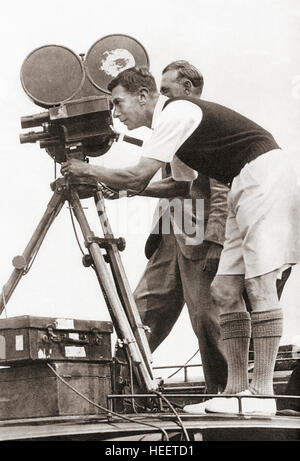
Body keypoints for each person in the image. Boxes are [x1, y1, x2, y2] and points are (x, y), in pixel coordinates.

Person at [61, 66, 300, 415]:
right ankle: (234, 392)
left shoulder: (176, 113)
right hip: (241, 183)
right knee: (223, 291)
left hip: (263, 177)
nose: (114, 112)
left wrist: (90, 170)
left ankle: (262, 395)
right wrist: (114, 186)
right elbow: (183, 186)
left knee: (260, 284)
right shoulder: (168, 126)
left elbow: (139, 174)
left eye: (118, 102)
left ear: (144, 96)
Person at [104, 61, 229, 394]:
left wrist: (216, 240)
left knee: (206, 319)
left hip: (199, 238)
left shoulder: (201, 125)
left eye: (169, 90)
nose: (164, 98)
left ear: (188, 90)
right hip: (169, 237)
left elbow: (220, 189)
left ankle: (222, 393)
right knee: (141, 313)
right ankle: (123, 390)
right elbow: (168, 183)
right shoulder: (169, 125)